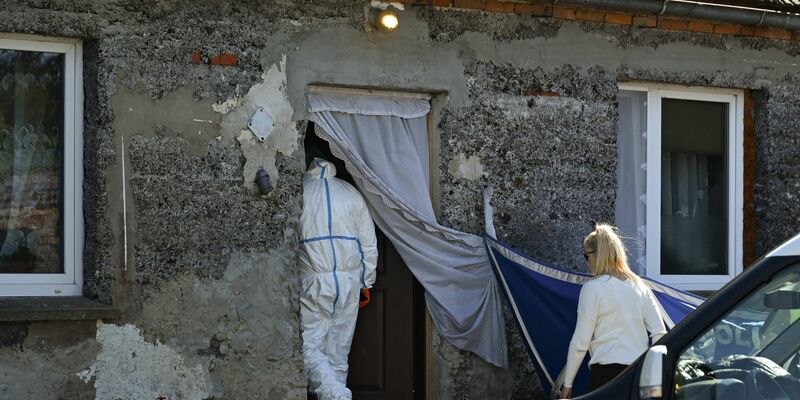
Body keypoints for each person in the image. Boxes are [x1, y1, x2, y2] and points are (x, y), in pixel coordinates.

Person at [299, 157, 378, 400]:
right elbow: (368, 244)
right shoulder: (351, 193)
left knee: (308, 346)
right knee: (338, 351)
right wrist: (367, 282)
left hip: (314, 280)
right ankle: (337, 393)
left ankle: (336, 395)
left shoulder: (301, 191)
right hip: (349, 282)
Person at [560, 224, 667, 398]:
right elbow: (660, 334)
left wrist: (568, 384)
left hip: (606, 377)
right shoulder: (640, 287)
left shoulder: (592, 288)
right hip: (638, 375)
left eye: (586, 256)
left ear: (597, 255)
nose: (586, 262)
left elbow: (580, 343)